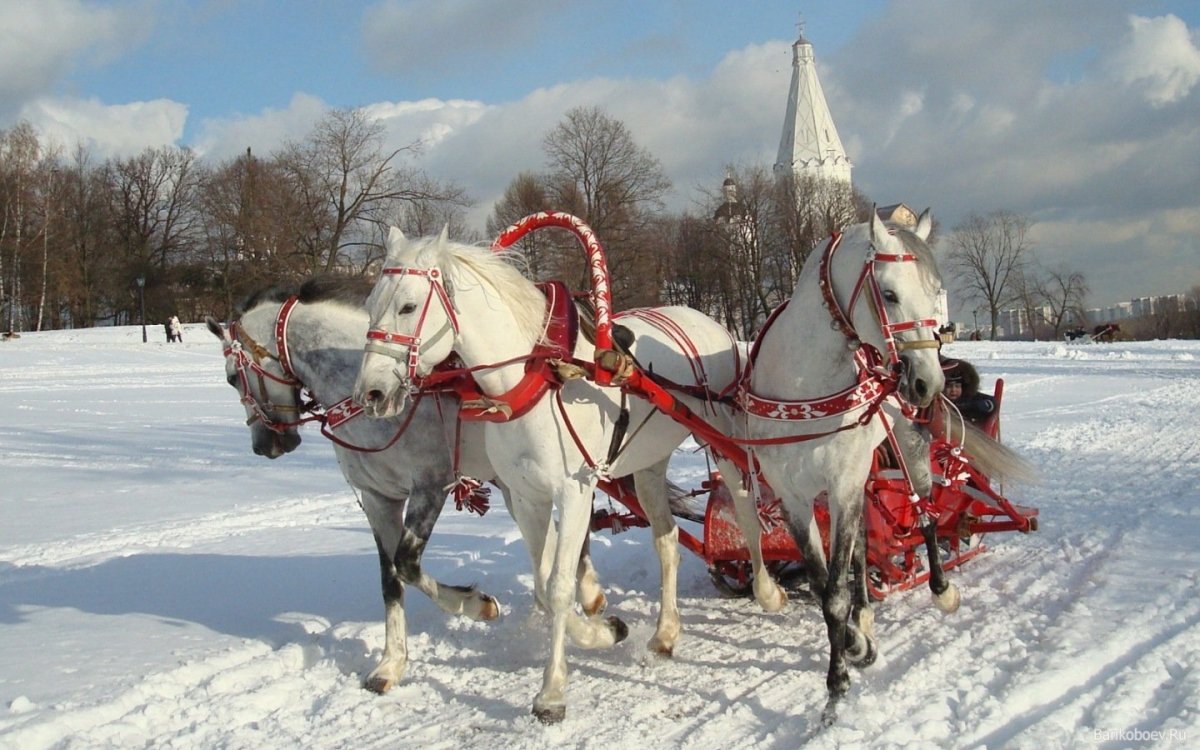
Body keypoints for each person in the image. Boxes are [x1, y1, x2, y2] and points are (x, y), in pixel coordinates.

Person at [941, 357, 995, 425]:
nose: (953, 390)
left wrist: (975, 406)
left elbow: (990, 403)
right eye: (949, 387)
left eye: (957, 386)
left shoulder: (969, 398)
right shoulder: (940, 401)